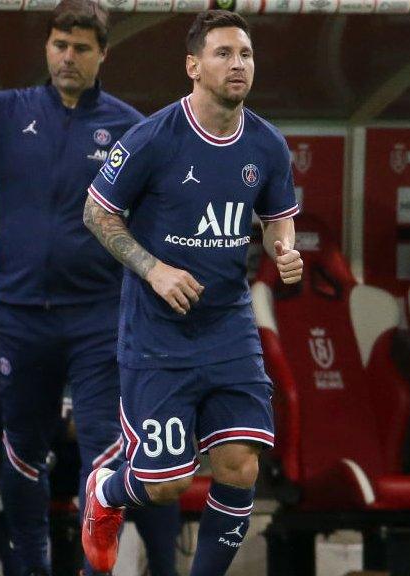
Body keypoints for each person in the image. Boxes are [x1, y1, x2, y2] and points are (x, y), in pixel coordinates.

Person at [0, 3, 180, 574]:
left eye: (80, 48)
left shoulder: (132, 127)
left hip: (99, 318)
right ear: (47, 48)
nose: (67, 57)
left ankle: (92, 569)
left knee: (105, 453)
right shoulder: (8, 110)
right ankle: (30, 568)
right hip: (23, 316)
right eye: (58, 45)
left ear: (103, 54)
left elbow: (167, 212)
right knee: (22, 453)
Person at [79, 11, 303, 575]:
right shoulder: (154, 137)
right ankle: (107, 492)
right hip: (158, 333)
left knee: (240, 466)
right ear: (193, 66)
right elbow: (97, 211)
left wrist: (284, 251)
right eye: (224, 53)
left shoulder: (268, 145)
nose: (238, 65)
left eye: (246, 55)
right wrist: (153, 269)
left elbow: (277, 220)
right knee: (166, 485)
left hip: (229, 325)